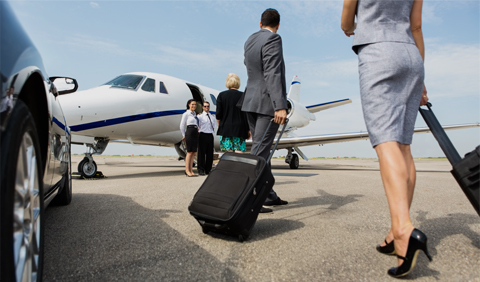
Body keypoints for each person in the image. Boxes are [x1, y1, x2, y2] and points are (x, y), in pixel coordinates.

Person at [341, 0, 431, 278]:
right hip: (411, 56)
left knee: (385, 140)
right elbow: (416, 25)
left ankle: (403, 229)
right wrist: (420, 75)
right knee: (404, 145)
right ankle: (395, 230)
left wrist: (351, 27)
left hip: (378, 53)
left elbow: (346, 16)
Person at [239, 8, 288, 208]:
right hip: (267, 103)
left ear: (260, 23)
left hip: (250, 100)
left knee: (261, 149)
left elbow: (250, 66)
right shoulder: (274, 39)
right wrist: (280, 105)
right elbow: (272, 72)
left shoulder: (250, 40)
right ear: (277, 25)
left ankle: (268, 195)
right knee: (260, 153)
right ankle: (249, 199)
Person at [216, 73, 250, 154]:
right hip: (240, 128)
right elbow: (246, 114)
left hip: (226, 127)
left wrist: (219, 125)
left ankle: (229, 166)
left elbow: (218, 114)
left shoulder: (221, 95)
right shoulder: (243, 96)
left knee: (228, 151)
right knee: (239, 150)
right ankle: (238, 167)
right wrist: (248, 129)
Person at [180, 99, 200, 177]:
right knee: (189, 152)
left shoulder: (194, 114)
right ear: (189, 105)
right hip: (189, 131)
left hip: (195, 132)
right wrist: (184, 135)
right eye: (192, 104)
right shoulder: (186, 114)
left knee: (193, 152)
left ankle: (191, 170)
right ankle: (187, 170)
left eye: (195, 104)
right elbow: (181, 125)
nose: (194, 106)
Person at [197, 101, 216, 176]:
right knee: (201, 153)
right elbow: (197, 126)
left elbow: (214, 126)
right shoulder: (200, 116)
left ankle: (208, 169)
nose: (206, 107)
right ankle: (201, 169)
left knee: (210, 153)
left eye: (208, 106)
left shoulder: (212, 117)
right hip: (202, 135)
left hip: (210, 135)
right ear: (202, 107)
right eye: (205, 106)